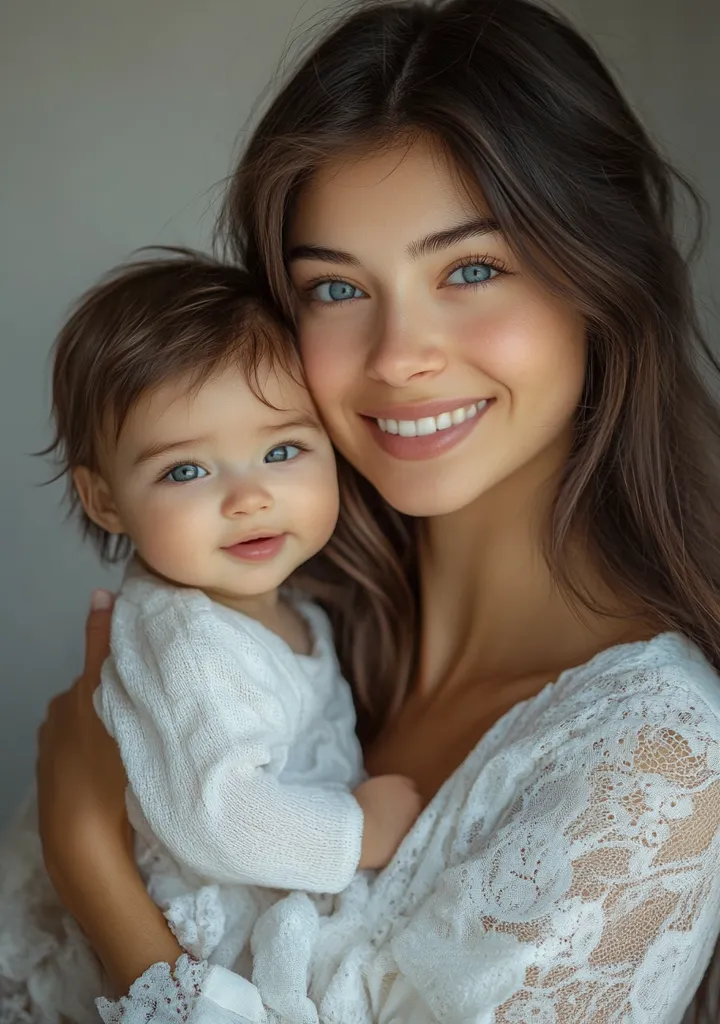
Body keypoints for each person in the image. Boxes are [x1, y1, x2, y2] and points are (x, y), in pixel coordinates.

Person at [34, 0, 720, 1020]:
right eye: (335, 289)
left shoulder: (657, 767)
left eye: (472, 269)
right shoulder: (278, 622)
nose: (400, 355)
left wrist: (89, 857)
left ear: (602, 283)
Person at [0, 253, 419, 1022]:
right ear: (105, 501)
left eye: (283, 451)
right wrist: (358, 833)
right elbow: (219, 812)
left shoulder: (297, 611)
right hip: (161, 945)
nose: (249, 496)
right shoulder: (184, 638)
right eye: (187, 471)